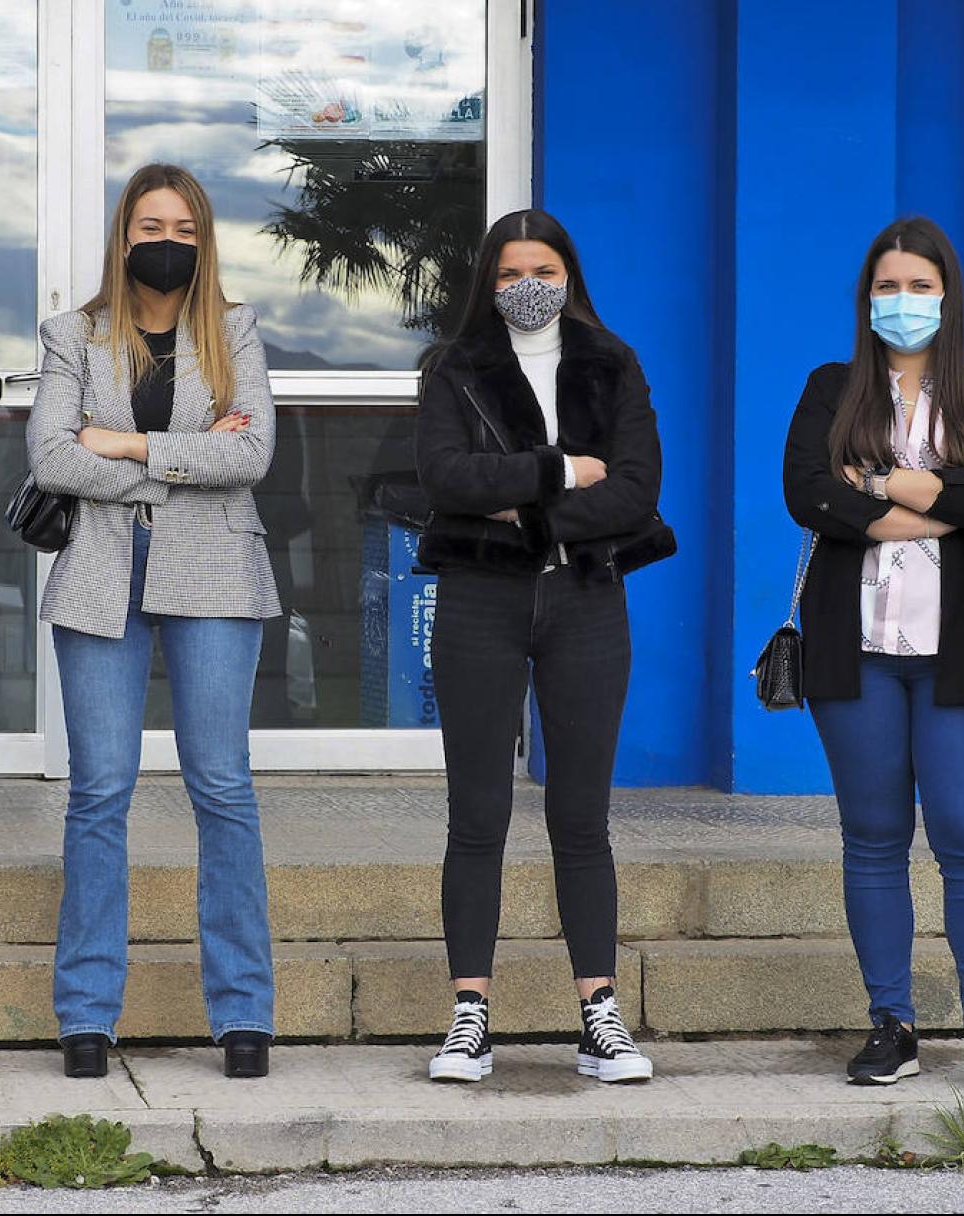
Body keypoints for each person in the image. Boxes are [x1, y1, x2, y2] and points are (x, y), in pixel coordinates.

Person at [27, 163, 280, 1080]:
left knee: (222, 787)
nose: (164, 239)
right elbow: (53, 456)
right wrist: (185, 459)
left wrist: (128, 445)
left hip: (214, 573)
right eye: (148, 223)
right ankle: (86, 1016)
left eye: (181, 225)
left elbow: (252, 453)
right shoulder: (73, 334)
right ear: (122, 234)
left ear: (202, 239)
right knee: (100, 794)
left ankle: (244, 1013)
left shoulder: (236, 331)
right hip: (101, 572)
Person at [414, 208, 674, 1085]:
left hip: (589, 601)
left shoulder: (613, 362)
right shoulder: (454, 369)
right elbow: (444, 479)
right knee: (477, 813)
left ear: (570, 277)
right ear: (489, 282)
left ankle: (599, 1017)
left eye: (546, 270)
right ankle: (468, 1018)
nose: (530, 287)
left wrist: (516, 506)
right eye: (511, 272)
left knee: (582, 816)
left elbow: (637, 491)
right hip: (478, 603)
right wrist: (562, 471)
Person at [782, 217, 964, 1093]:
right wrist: (933, 493)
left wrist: (872, 485)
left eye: (920, 286)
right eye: (887, 287)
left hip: (958, 654)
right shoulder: (831, 389)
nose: (903, 302)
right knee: (875, 839)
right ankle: (892, 1023)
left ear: (948, 297)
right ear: (865, 299)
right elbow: (806, 493)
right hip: (857, 657)